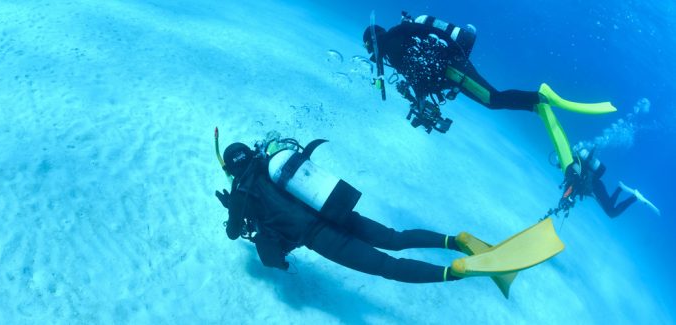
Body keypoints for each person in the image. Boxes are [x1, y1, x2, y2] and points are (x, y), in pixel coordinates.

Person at [213, 136, 563, 289]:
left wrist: (233, 208)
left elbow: (235, 235)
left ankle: (454, 272)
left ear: (230, 169)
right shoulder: (275, 163)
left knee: (388, 268)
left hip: (321, 237)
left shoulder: (242, 192)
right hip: (338, 213)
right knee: (395, 239)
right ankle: (457, 240)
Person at [362, 13, 616, 115]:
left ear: (373, 39)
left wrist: (451, 51)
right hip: (451, 71)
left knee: (492, 100)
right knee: (492, 102)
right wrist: (420, 98)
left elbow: (421, 66)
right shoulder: (396, 44)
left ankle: (540, 98)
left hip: (454, 69)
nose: (373, 56)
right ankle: (534, 105)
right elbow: (420, 72)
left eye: (369, 49)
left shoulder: (391, 41)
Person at [558, 148, 660, 217]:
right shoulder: (572, 169)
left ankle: (634, 197)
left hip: (594, 187)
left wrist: (564, 199)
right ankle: (620, 188)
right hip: (596, 185)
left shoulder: (571, 172)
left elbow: (571, 187)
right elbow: (570, 188)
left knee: (611, 213)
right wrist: (565, 200)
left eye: (560, 166)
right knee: (609, 205)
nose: (561, 169)